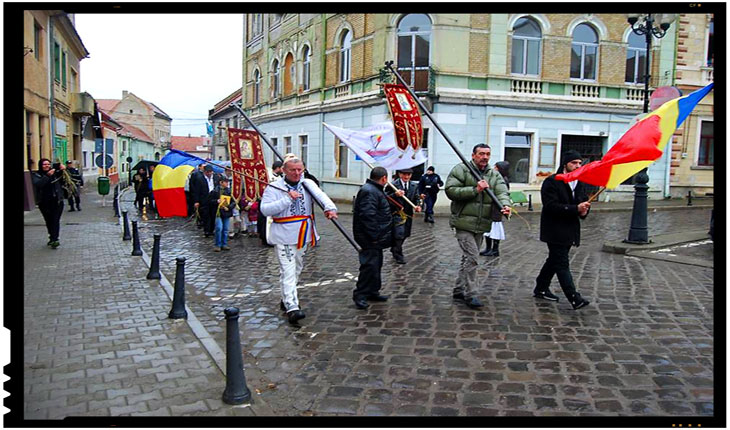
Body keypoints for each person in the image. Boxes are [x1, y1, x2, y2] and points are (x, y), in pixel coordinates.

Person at [260, 156, 338, 324]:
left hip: (303, 233)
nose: (296, 173)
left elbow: (320, 196)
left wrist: (329, 208)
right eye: (292, 170)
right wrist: (287, 198)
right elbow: (265, 210)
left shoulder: (307, 183)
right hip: (284, 234)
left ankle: (286, 297)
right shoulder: (274, 187)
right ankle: (292, 306)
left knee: (297, 268)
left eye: (299, 170)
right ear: (284, 170)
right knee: (287, 270)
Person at [445, 144, 511, 309]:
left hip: (482, 224)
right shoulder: (461, 169)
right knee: (473, 258)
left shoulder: (493, 174)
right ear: (473, 155)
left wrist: (505, 204)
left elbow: (502, 192)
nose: (485, 157)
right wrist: (475, 189)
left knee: (467, 258)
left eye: (488, 154)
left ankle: (459, 289)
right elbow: (451, 191)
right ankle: (471, 293)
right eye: (481, 154)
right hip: (463, 222)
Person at [533, 150, 591, 310]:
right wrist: (575, 208)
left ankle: (541, 287)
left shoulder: (579, 181)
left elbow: (583, 201)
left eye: (580, 163)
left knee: (554, 260)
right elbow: (550, 206)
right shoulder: (552, 181)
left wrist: (584, 211)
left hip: (570, 230)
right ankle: (574, 297)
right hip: (554, 229)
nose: (577, 166)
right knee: (562, 263)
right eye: (574, 163)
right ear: (565, 164)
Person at [352, 167, 394, 309]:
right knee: (369, 265)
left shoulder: (374, 189)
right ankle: (361, 294)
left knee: (376, 264)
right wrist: (374, 235)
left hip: (376, 236)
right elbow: (367, 216)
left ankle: (372, 291)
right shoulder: (369, 191)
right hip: (370, 236)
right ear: (384, 178)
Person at [388, 168, 422, 264]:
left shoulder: (414, 185)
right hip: (396, 214)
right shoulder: (393, 185)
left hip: (408, 214)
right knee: (399, 234)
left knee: (405, 234)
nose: (406, 177)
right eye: (404, 174)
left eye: (409, 174)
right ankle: (398, 255)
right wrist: (395, 194)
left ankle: (394, 248)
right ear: (399, 174)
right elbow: (385, 197)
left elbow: (417, 198)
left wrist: (418, 206)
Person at [32, 159, 66, 249]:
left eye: (48, 164)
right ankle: (51, 237)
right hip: (44, 203)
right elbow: (39, 184)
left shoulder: (55, 173)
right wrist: (47, 175)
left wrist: (63, 170)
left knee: (55, 220)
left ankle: (55, 239)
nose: (47, 166)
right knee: (49, 221)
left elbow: (63, 180)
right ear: (41, 165)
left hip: (57, 201)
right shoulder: (36, 174)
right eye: (44, 164)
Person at [481, 160, 510, 257]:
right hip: (490, 207)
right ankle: (488, 248)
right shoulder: (494, 177)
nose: (494, 169)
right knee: (488, 229)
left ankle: (495, 249)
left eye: (496, 167)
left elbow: (502, 193)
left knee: (495, 229)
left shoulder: (503, 180)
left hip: (496, 208)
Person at [192, 164, 218, 237]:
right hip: (204, 199)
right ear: (204, 172)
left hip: (213, 198)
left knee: (213, 215)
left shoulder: (216, 178)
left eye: (210, 172)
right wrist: (196, 201)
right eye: (207, 172)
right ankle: (206, 230)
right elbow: (196, 191)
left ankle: (211, 230)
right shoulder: (200, 179)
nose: (209, 173)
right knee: (206, 215)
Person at [209, 176, 234, 251]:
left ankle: (224, 243)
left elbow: (234, 202)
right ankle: (218, 244)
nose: (227, 184)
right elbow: (209, 201)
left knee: (226, 229)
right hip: (218, 212)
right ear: (221, 182)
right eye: (225, 182)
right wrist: (217, 201)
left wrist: (229, 207)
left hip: (226, 212)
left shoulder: (229, 191)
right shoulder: (215, 191)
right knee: (219, 228)